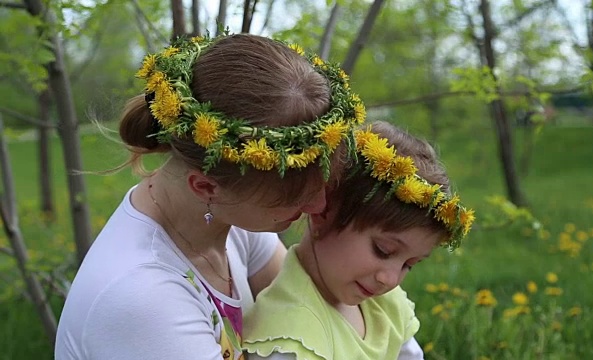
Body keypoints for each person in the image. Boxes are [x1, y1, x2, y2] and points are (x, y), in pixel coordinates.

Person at [55, 33, 366, 360]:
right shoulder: (143, 298)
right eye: (294, 197)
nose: (318, 206)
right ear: (204, 187)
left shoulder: (228, 218)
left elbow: (309, 306)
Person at [242, 121, 475, 360]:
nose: (391, 279)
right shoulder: (291, 338)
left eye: (409, 264)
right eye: (383, 251)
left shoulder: (384, 306)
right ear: (325, 210)